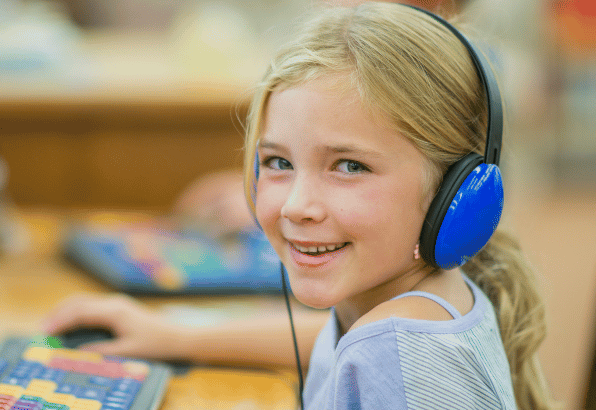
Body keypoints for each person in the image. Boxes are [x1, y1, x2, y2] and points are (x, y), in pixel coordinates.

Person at [43, 2, 552, 409]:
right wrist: (174, 335)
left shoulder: (395, 355)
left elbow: (370, 359)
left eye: (349, 166)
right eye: (279, 163)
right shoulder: (403, 314)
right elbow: (330, 347)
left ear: (456, 194)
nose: (298, 206)